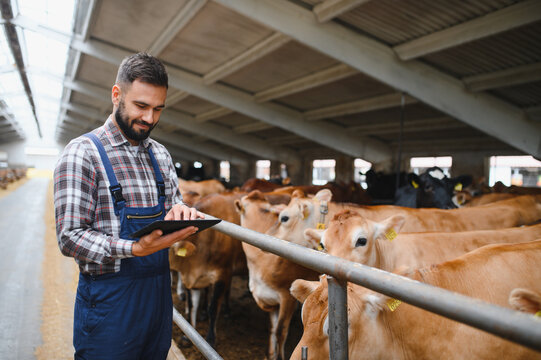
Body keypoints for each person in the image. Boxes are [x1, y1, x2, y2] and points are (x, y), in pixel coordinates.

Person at [54, 52, 204, 359]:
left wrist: (181, 213)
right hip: (109, 303)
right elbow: (69, 237)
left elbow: (173, 203)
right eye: (141, 106)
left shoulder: (160, 155)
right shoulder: (83, 154)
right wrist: (134, 249)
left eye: (158, 109)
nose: (150, 118)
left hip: (157, 300)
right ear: (116, 94)